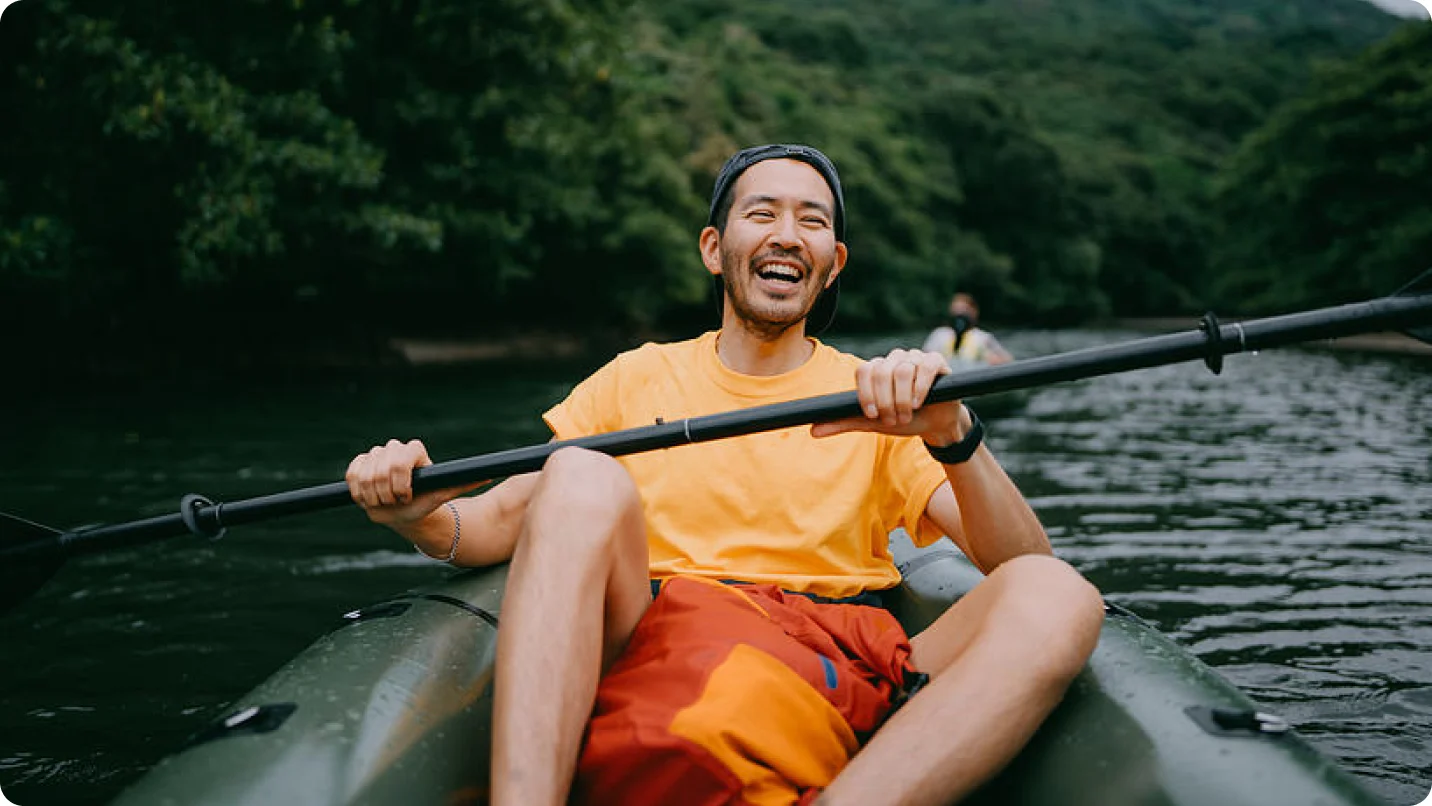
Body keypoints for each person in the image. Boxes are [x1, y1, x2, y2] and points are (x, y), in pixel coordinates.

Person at [345, 144, 1103, 806]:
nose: (786, 235)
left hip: (830, 650)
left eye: (812, 221)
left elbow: (1019, 567)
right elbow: (491, 521)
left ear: (833, 264)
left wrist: (953, 431)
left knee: (1062, 594)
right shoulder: (636, 378)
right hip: (656, 633)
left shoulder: (884, 399)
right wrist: (414, 511)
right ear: (715, 247)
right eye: (762, 213)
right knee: (579, 474)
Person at [922, 293, 1014, 366]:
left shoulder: (983, 337)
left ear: (974, 312)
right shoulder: (939, 334)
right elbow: (924, 358)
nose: (959, 314)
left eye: (963, 310)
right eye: (956, 310)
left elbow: (1008, 361)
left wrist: (993, 360)